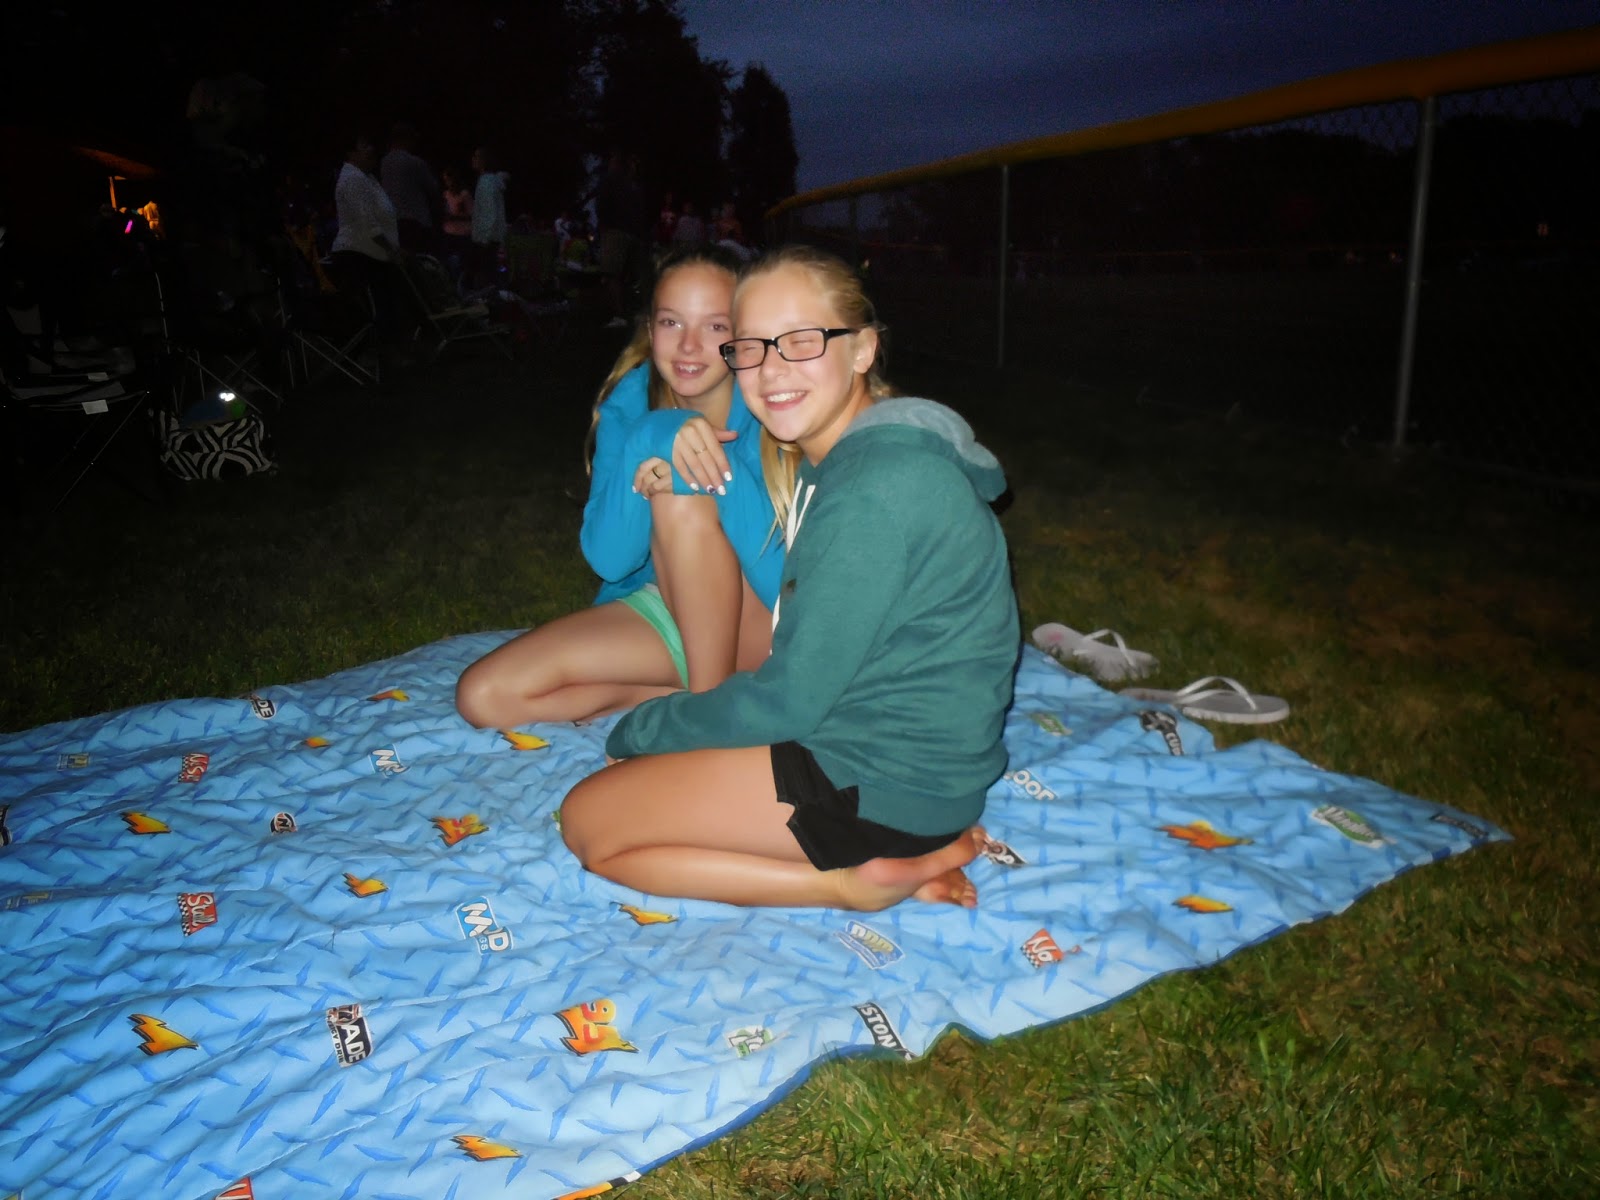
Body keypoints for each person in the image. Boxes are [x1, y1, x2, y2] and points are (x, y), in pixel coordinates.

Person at [559, 245, 1019, 912]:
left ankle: (851, 885)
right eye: (752, 347)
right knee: (644, 783)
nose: (771, 370)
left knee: (589, 823)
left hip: (885, 784)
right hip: (896, 753)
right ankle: (889, 854)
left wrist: (646, 729)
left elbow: (787, 703)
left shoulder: (873, 491)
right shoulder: (845, 458)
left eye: (801, 340)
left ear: (862, 349)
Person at [456, 243, 780, 727]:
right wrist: (649, 436)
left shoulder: (771, 404)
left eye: (715, 326)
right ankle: (695, 697)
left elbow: (785, 583)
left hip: (763, 623)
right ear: (650, 329)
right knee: (483, 696)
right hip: (669, 609)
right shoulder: (629, 406)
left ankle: (706, 725)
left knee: (678, 497)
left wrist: (714, 478)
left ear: (744, 337)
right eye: (671, 322)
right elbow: (610, 560)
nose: (689, 346)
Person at [379, 122, 441, 254]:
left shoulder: (384, 163)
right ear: (405, 139)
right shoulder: (415, 162)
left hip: (392, 221)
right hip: (415, 222)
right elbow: (433, 189)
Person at [468, 146, 508, 289]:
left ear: (485, 161)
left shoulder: (487, 182)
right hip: (490, 239)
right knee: (489, 277)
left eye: (476, 156)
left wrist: (484, 238)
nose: (473, 159)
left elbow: (489, 213)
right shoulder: (491, 181)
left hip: (485, 241)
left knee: (485, 281)